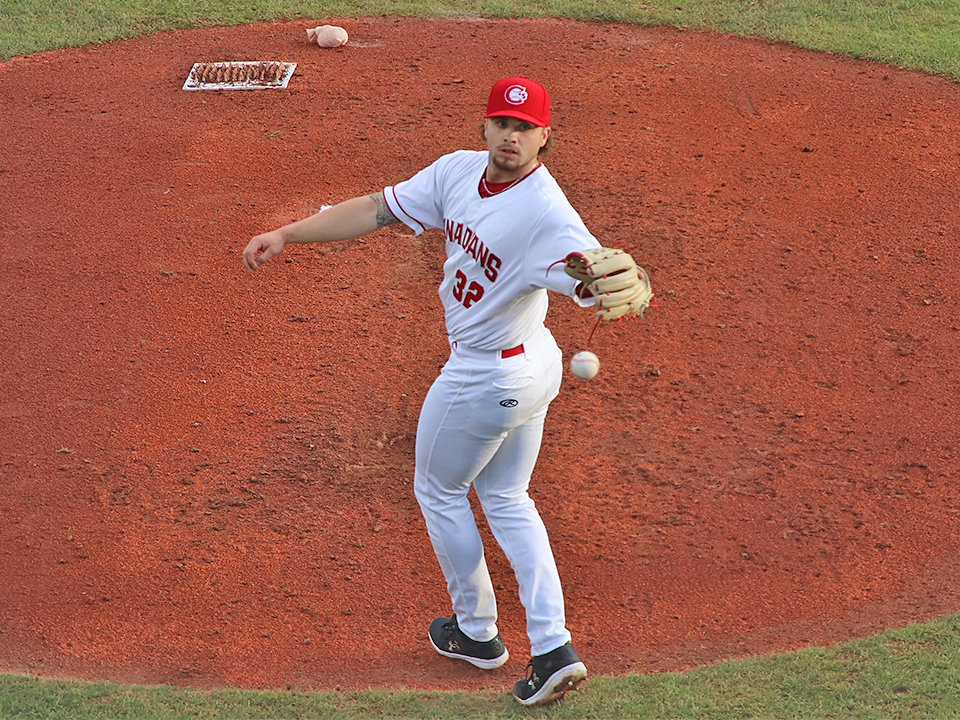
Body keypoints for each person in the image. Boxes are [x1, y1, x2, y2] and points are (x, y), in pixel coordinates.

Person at [243, 77, 647, 706]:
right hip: (531, 363)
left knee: (437, 488)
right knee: (508, 494)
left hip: (486, 376)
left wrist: (604, 282)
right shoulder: (458, 173)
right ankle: (553, 647)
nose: (511, 137)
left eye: (524, 128)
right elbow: (375, 210)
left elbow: (583, 269)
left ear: (545, 136)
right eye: (501, 124)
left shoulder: (547, 211)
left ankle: (477, 632)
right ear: (484, 127)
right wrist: (290, 233)